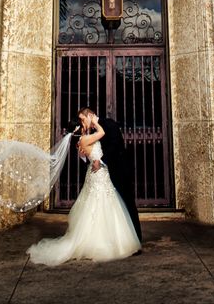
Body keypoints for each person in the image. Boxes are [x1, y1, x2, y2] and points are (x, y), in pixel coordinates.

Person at [27, 116, 141, 265]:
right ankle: (100, 242)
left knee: (99, 205)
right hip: (99, 175)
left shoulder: (82, 141)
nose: (85, 124)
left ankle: (103, 238)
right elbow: (102, 133)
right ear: (79, 128)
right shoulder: (86, 139)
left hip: (97, 174)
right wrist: (95, 122)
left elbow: (87, 155)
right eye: (82, 123)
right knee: (101, 205)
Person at [78, 107, 142, 242]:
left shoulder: (109, 123)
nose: (82, 123)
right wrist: (84, 155)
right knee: (112, 208)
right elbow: (93, 153)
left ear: (90, 115)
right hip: (104, 175)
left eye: (83, 119)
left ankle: (136, 239)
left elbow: (115, 145)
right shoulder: (93, 131)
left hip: (120, 170)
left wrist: (100, 161)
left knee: (127, 204)